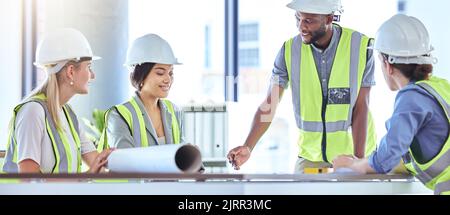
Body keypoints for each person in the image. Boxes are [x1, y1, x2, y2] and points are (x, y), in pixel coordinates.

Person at [227, 0, 377, 173]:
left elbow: (361, 106)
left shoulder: (361, 47)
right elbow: (270, 104)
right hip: (310, 157)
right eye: (298, 18)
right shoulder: (289, 51)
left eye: (309, 20)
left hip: (353, 155)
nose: (301, 26)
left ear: (329, 19)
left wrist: (358, 160)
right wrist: (248, 146)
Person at [333, 14, 450, 195]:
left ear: (387, 65)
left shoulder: (411, 97)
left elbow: (388, 154)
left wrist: (353, 164)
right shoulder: (439, 87)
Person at [2, 28, 113, 173]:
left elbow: (97, 163)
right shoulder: (33, 112)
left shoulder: (68, 114)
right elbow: (28, 180)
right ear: (71, 72)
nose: (93, 75)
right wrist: (85, 178)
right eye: (89, 67)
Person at [96, 34, 185, 150]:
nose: (168, 79)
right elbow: (125, 163)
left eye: (170, 73)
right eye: (160, 73)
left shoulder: (174, 111)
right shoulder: (119, 115)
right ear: (141, 76)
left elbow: (184, 157)